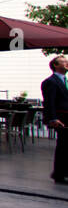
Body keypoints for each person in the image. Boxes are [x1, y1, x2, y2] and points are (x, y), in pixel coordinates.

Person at [42, 55, 68, 184]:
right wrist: (53, 118)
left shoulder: (64, 80)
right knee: (63, 146)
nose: (67, 63)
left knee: (65, 146)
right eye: (64, 62)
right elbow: (49, 102)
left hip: (66, 118)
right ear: (56, 65)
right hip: (61, 119)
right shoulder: (50, 82)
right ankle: (59, 173)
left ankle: (62, 172)